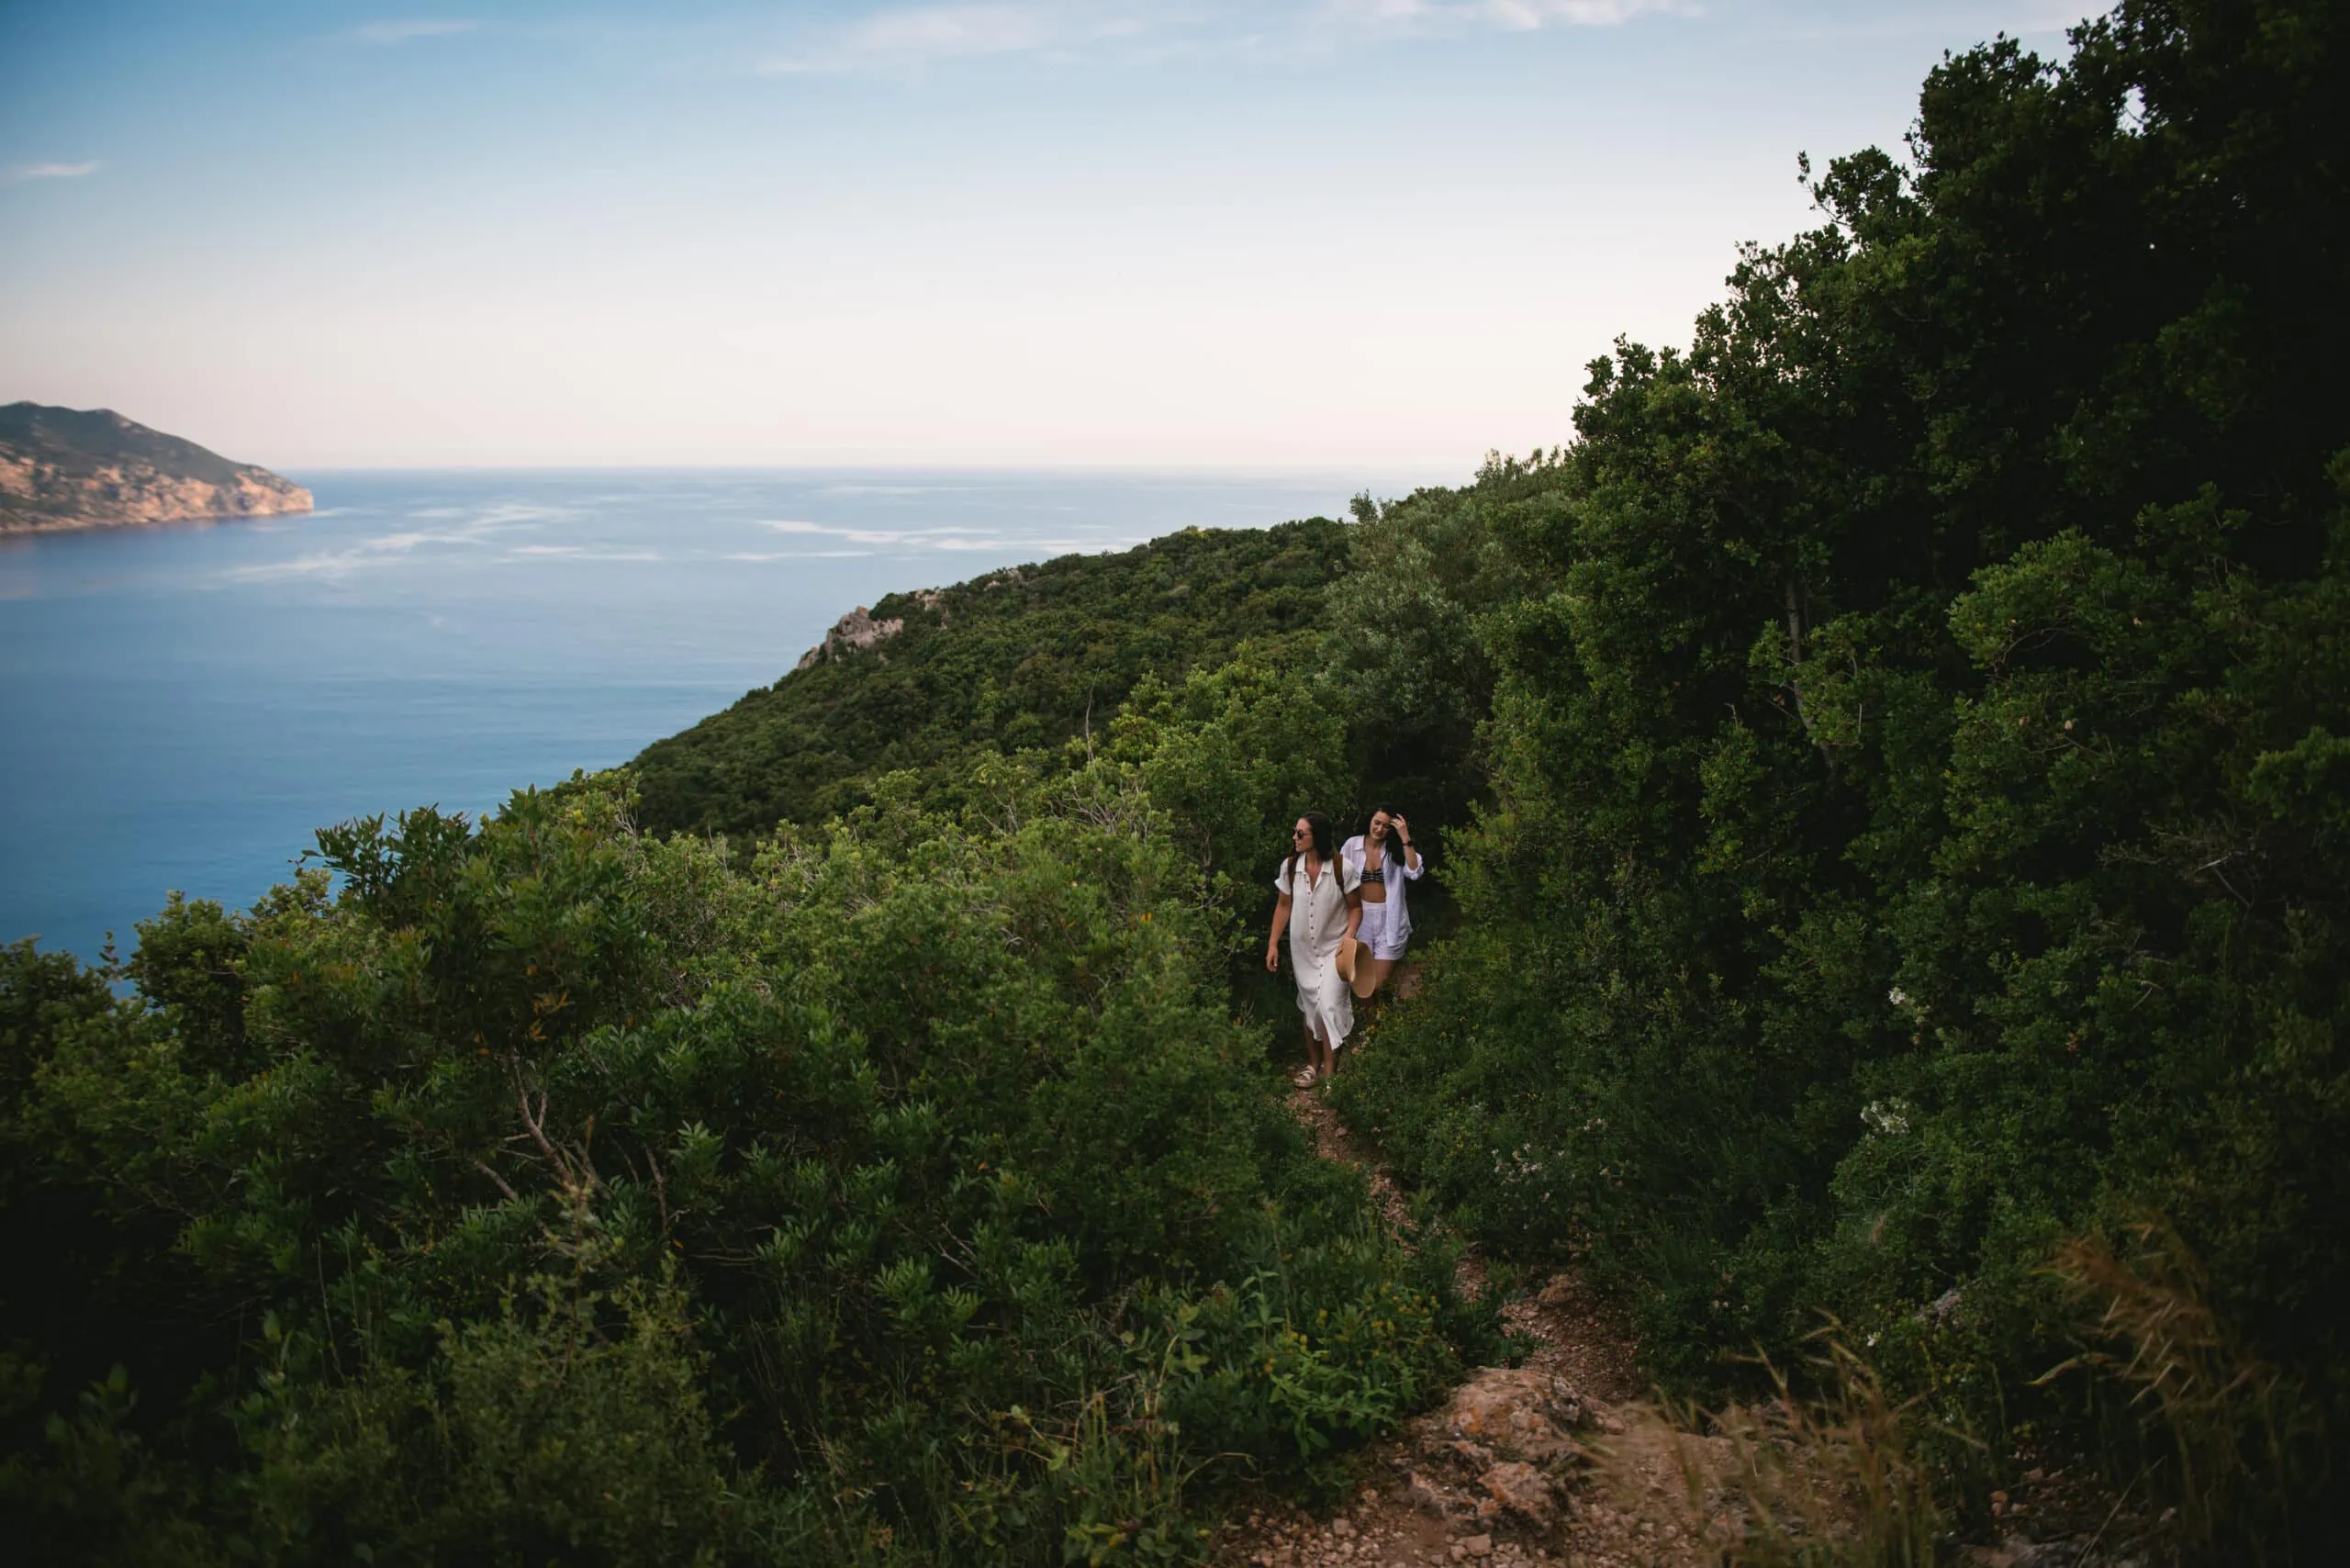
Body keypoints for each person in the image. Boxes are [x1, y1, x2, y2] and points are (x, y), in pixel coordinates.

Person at [1265, 810, 1361, 1086]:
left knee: (1330, 1004)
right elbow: (1283, 906)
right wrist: (1273, 944)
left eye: (1300, 833)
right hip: (1302, 952)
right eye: (1295, 832)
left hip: (1336, 948)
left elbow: (1356, 908)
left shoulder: (1343, 868)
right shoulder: (1290, 866)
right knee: (1310, 1008)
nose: (1294, 837)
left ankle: (1331, 1076)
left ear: (1316, 836)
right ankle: (1313, 1064)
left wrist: (1349, 936)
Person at [1340, 807, 1425, 998]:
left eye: (1386, 826)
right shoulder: (1352, 846)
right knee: (1361, 983)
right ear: (1370, 821)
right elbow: (1339, 879)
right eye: (1377, 823)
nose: (1379, 829)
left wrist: (1405, 838)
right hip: (1361, 917)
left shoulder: (1396, 850)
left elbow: (1415, 872)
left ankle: (1382, 1017)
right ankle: (1371, 1025)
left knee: (1377, 984)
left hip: (1389, 919)